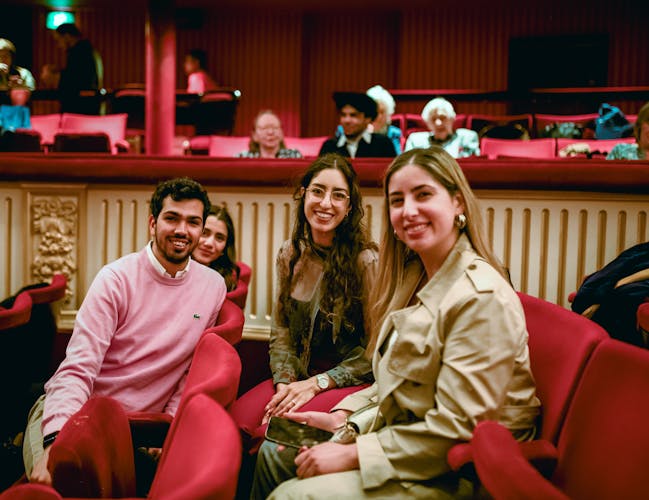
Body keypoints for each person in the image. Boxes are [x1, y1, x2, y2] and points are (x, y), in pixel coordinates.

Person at [251, 147, 541, 499]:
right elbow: (405, 389)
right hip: (408, 438)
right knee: (273, 454)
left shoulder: (479, 297)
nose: (409, 211)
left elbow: (458, 431)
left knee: (291, 494)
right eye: (397, 200)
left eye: (423, 195)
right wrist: (348, 420)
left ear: (458, 203)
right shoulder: (421, 279)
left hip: (464, 469)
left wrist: (352, 450)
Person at [24, 177, 227, 486]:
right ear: (152, 223)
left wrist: (167, 429)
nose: (182, 230)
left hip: (138, 430)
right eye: (171, 218)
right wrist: (57, 441)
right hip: (76, 415)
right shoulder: (115, 279)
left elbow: (188, 373)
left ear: (201, 228)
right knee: (55, 482)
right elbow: (78, 370)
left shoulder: (213, 286)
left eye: (193, 222)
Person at [229, 153, 378, 452]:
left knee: (269, 436)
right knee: (232, 427)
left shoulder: (366, 261)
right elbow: (281, 332)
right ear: (303, 194)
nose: (325, 203)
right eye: (318, 191)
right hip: (295, 377)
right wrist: (284, 382)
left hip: (347, 382)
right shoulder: (290, 253)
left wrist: (318, 384)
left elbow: (376, 351)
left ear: (349, 207)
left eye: (338, 196)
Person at [319, 92, 396, 158]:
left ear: (367, 119)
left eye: (353, 115)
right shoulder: (330, 147)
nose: (347, 120)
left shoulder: (383, 144)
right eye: (343, 115)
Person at [335, 85, 403, 154]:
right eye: (343, 115)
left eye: (382, 112)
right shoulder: (332, 143)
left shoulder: (386, 142)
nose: (347, 120)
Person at [404, 97, 480, 158]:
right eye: (433, 119)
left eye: (442, 117)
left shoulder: (467, 138)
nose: (438, 123)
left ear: (452, 119)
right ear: (427, 123)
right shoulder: (416, 140)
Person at [53, 23, 103, 114]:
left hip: (80, 107)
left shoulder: (79, 52)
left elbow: (73, 82)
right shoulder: (88, 50)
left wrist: (54, 76)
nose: (59, 45)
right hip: (89, 105)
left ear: (67, 36)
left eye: (58, 40)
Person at [192, 204, 240, 291]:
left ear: (225, 248)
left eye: (219, 238)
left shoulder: (230, 283)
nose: (209, 243)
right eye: (204, 233)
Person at [237, 110, 303, 159]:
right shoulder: (242, 157)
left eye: (275, 127)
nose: (270, 132)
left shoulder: (294, 156)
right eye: (264, 128)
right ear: (254, 135)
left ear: (282, 133)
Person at [0, 38, 35, 107]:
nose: (2, 60)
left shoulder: (24, 73)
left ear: (12, 58)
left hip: (16, 112)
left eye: (5, 56)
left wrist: (19, 87)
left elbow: (32, 93)